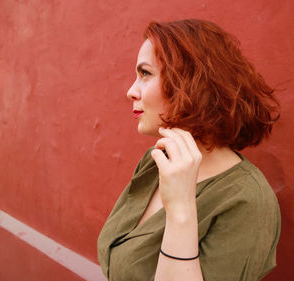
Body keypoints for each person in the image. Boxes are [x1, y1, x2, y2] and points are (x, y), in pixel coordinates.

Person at [97, 19, 281, 281]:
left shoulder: (248, 201)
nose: (130, 91)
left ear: (191, 83)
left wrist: (181, 210)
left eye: (145, 74)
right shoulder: (156, 161)